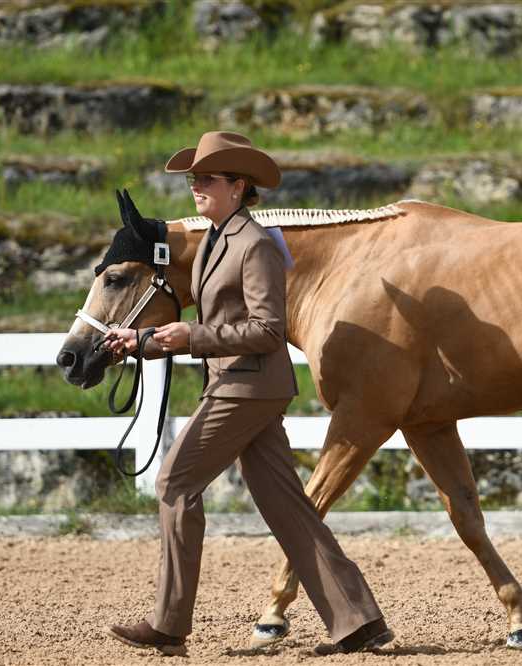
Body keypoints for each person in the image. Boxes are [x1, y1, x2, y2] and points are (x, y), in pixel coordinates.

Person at [102, 131, 393, 656]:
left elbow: (267, 328)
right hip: (239, 382)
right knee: (288, 507)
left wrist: (191, 336)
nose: (196, 186)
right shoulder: (215, 240)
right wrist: (139, 341)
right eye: (193, 179)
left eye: (206, 179)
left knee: (174, 482)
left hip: (248, 385)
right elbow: (209, 322)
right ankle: (360, 622)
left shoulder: (255, 244)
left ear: (237, 187)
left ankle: (168, 625)